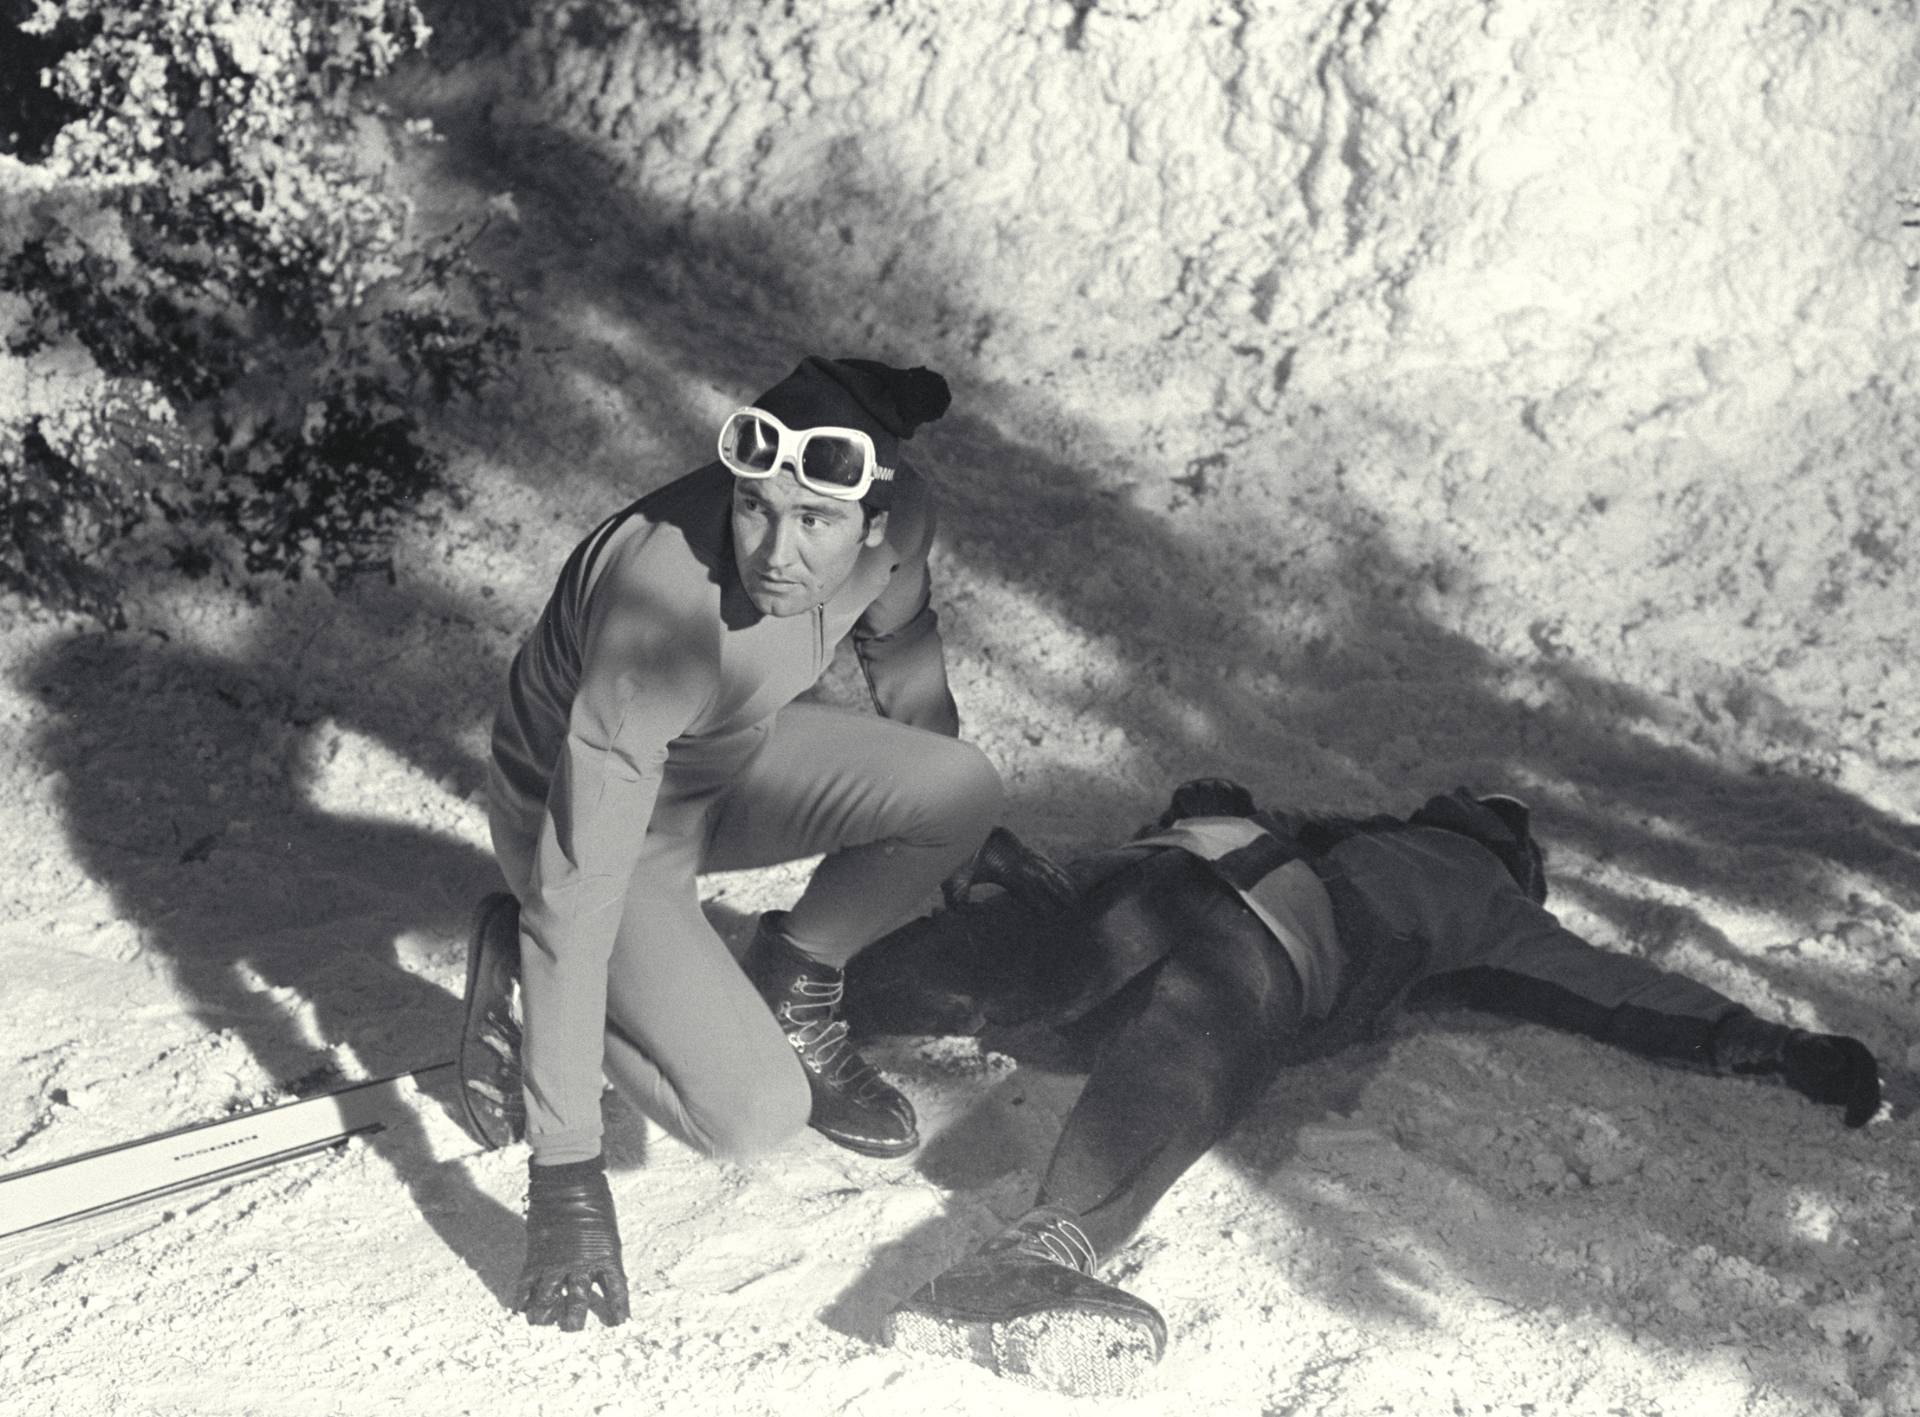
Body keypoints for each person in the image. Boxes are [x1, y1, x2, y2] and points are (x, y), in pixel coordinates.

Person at [843, 779, 1886, 1398]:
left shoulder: (1309, 819)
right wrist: (1764, 1043)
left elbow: (1196, 809)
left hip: (1155, 875)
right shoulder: (1481, 891)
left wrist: (1197, 814)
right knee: (1202, 1043)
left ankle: (808, 992)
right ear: (1515, 860)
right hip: (1264, 935)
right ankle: (1032, 1256)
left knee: (1027, 965)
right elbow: (1614, 990)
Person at [463, 356, 1006, 1333]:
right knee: (753, 1113)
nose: (774, 551)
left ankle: (791, 979)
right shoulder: (661, 612)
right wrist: (566, 1177)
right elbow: (579, 888)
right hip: (580, 826)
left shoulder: (902, 521)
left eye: (814, 522)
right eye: (754, 508)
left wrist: (952, 862)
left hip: (723, 765)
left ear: (873, 522)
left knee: (961, 790)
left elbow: (903, 651)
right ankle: (523, 970)